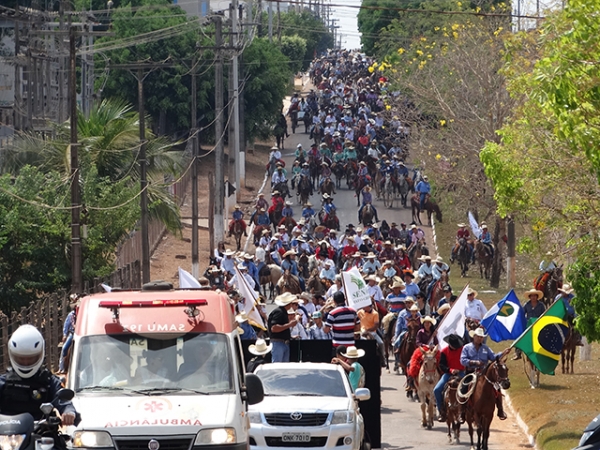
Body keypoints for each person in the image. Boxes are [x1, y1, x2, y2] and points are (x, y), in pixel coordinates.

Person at [0, 325, 77, 424]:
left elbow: (63, 401)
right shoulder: (4, 382)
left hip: (42, 434)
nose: (26, 363)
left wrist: (68, 412)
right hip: (7, 436)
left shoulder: (50, 382)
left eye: (31, 358)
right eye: (21, 358)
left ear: (41, 354)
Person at [460, 327, 511, 420]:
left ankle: (500, 410)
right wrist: (474, 362)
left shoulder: (485, 348)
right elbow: (463, 360)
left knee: (497, 389)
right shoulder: (466, 348)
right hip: (471, 373)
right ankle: (462, 412)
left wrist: (503, 353)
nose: (480, 339)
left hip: (484, 373)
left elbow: (493, 357)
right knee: (463, 389)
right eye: (478, 337)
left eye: (481, 337)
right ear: (474, 336)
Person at [434, 334, 465, 422]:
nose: (456, 347)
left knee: (467, 389)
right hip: (448, 374)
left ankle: (465, 411)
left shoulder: (463, 350)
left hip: (461, 373)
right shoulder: (444, 351)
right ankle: (441, 411)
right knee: (437, 390)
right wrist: (450, 370)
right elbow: (442, 365)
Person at [513, 288, 545, 360]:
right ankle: (518, 353)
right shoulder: (526, 305)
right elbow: (522, 314)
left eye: (534, 296)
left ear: (537, 296)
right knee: (520, 336)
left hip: (538, 325)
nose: (533, 297)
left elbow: (544, 315)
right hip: (528, 325)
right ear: (530, 297)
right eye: (532, 296)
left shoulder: (541, 305)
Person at [268, 292, 299, 362]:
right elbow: (274, 328)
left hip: (283, 342)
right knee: (278, 366)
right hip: (278, 343)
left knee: (283, 367)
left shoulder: (283, 312)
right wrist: (290, 324)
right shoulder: (279, 312)